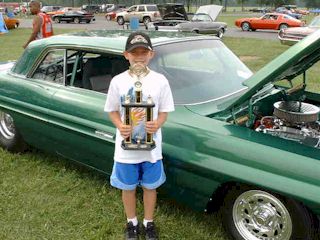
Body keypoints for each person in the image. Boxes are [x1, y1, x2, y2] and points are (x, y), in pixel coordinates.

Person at [104, 31, 174, 240]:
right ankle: (132, 223)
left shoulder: (160, 81)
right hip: (126, 149)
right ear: (126, 55)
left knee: (150, 187)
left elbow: (164, 112)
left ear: (151, 54)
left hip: (151, 149)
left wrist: (157, 124)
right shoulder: (117, 81)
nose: (139, 56)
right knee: (128, 187)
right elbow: (112, 110)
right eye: (135, 52)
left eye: (144, 52)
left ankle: (149, 223)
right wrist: (120, 126)